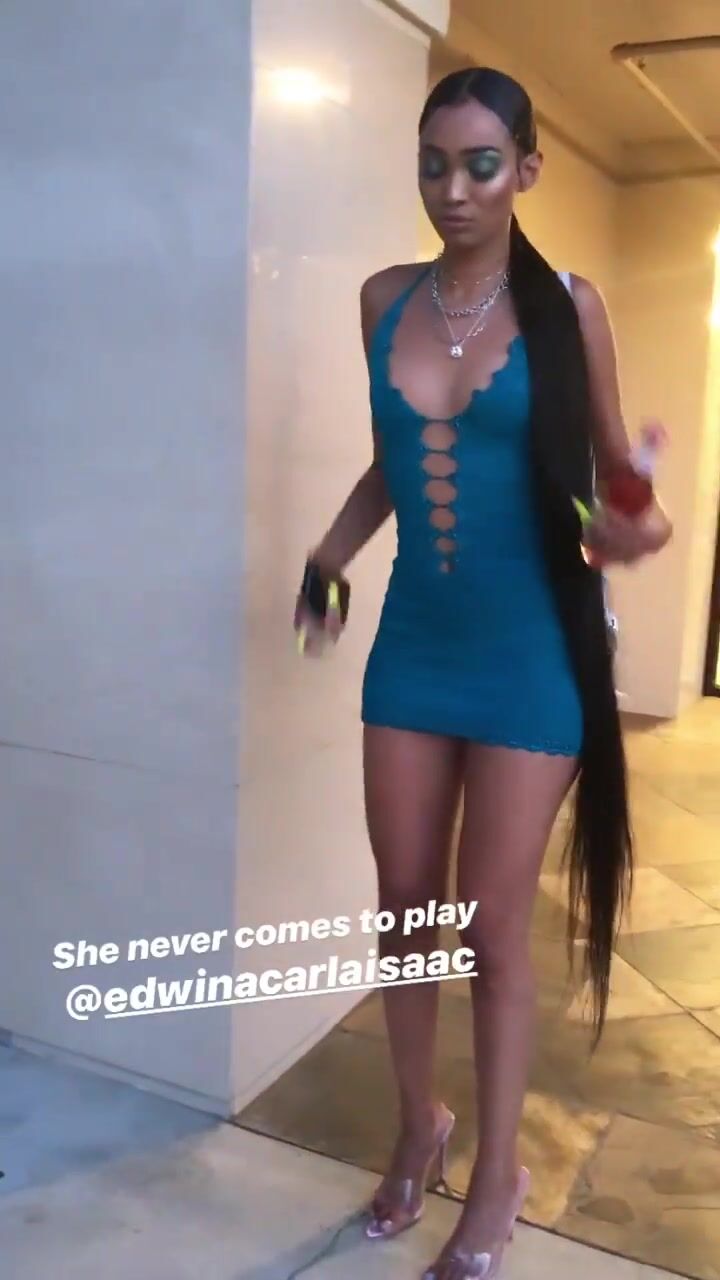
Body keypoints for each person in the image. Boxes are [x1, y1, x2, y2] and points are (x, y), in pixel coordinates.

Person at [294, 67, 672, 1280]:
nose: (452, 190)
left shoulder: (568, 307)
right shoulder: (381, 299)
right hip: (414, 644)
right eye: (433, 165)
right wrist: (328, 558)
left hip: (529, 655)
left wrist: (629, 527)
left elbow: (606, 487)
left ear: (526, 171)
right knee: (408, 911)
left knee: (490, 925)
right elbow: (393, 462)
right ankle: (422, 1124)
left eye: (480, 164)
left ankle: (499, 1170)